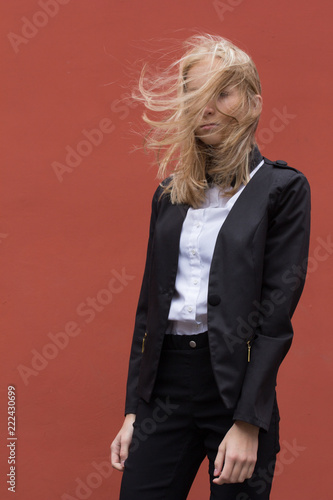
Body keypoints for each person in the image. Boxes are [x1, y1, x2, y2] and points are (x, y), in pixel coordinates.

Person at [110, 34, 311, 500]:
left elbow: (275, 320)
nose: (207, 107)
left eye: (222, 92)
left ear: (254, 102)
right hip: (165, 389)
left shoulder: (282, 189)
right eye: (196, 95)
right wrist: (134, 410)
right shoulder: (169, 194)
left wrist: (248, 420)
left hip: (235, 389)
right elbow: (150, 311)